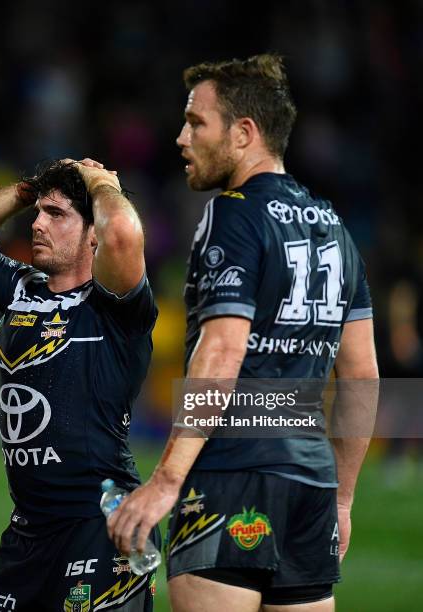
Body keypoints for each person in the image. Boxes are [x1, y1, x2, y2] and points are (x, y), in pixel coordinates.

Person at [108, 54, 379, 611]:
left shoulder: (231, 213)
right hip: (311, 484)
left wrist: (165, 481)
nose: (181, 137)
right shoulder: (336, 227)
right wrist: (344, 500)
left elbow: (224, 349)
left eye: (196, 122)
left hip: (232, 473)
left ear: (244, 133)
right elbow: (361, 374)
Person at [0, 159, 160, 611]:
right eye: (38, 212)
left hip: (102, 524)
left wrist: (99, 182)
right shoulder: (21, 289)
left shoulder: (114, 306)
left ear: (93, 233)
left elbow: (124, 234)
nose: (37, 223)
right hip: (29, 530)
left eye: (56, 215)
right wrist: (27, 190)